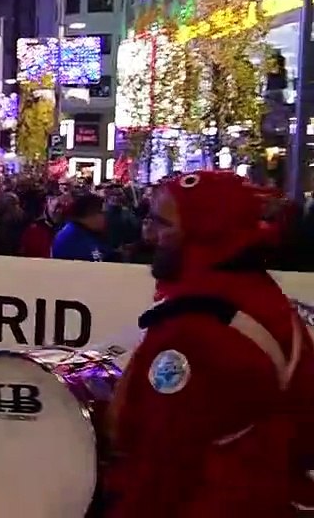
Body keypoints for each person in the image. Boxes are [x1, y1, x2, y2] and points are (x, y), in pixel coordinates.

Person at [102, 171, 314, 517]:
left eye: (161, 223)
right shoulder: (267, 302)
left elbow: (159, 473)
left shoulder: (191, 330)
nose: (149, 233)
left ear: (203, 231)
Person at [51, 193, 109, 262]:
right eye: (101, 213)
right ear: (90, 214)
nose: (105, 218)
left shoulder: (91, 233)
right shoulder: (70, 237)